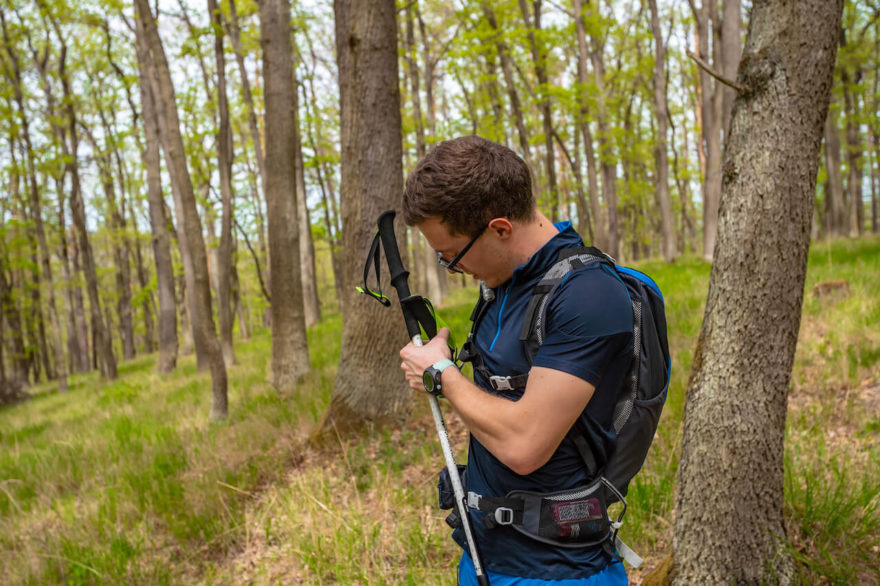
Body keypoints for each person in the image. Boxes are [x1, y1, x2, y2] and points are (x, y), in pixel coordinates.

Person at [399, 135, 633, 585]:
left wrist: (444, 375)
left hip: (557, 572)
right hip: (484, 557)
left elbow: (526, 445)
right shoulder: (502, 286)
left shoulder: (587, 294)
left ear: (500, 229)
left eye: (452, 255)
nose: (453, 268)